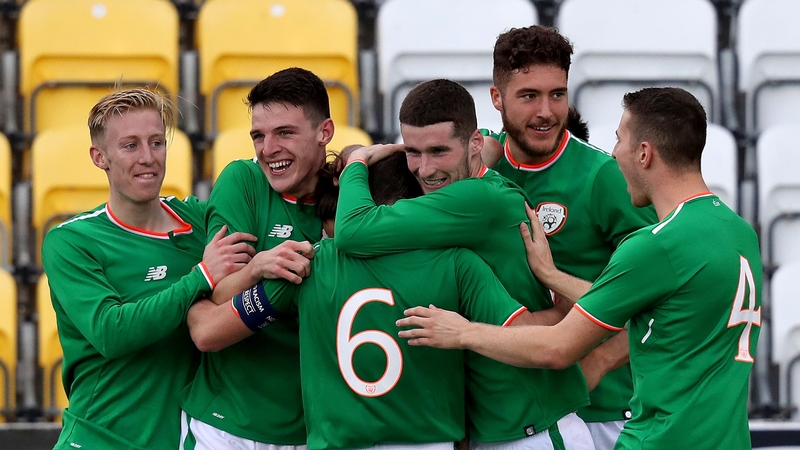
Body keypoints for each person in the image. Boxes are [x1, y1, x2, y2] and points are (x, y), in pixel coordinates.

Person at [398, 87, 762, 450]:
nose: (614, 153)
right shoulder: (739, 232)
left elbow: (557, 349)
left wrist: (462, 332)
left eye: (619, 140)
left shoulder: (656, 245)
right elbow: (655, 308)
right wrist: (553, 277)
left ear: (644, 153)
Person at [187, 153, 571, 450]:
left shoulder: (310, 264)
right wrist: (561, 302)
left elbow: (208, 333)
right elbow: (526, 335)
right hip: (430, 442)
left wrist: (194, 297)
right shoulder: (457, 264)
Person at [335, 79, 595, 449]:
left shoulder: (475, 200)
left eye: (439, 151)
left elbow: (351, 232)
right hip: (496, 429)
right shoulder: (472, 186)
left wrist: (358, 160)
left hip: (533, 429)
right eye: (413, 151)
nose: (424, 170)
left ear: (472, 143)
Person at [41, 88, 258, 449]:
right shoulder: (72, 240)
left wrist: (353, 160)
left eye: (157, 143)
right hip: (99, 439)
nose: (148, 158)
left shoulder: (200, 222)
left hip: (183, 440)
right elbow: (111, 332)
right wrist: (201, 277)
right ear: (100, 157)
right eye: (130, 146)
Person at [481, 25, 658, 449]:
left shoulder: (603, 177)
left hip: (603, 413)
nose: (546, 111)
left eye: (557, 94)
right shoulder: (481, 170)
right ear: (496, 98)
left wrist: (596, 364)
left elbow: (658, 297)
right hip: (510, 414)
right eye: (529, 96)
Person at [178, 67, 328, 450]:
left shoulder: (350, 192)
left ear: (323, 133)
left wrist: (360, 158)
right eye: (258, 136)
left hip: (313, 429)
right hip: (225, 426)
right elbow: (216, 293)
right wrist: (259, 266)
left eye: (285, 133)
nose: (267, 149)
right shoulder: (242, 181)